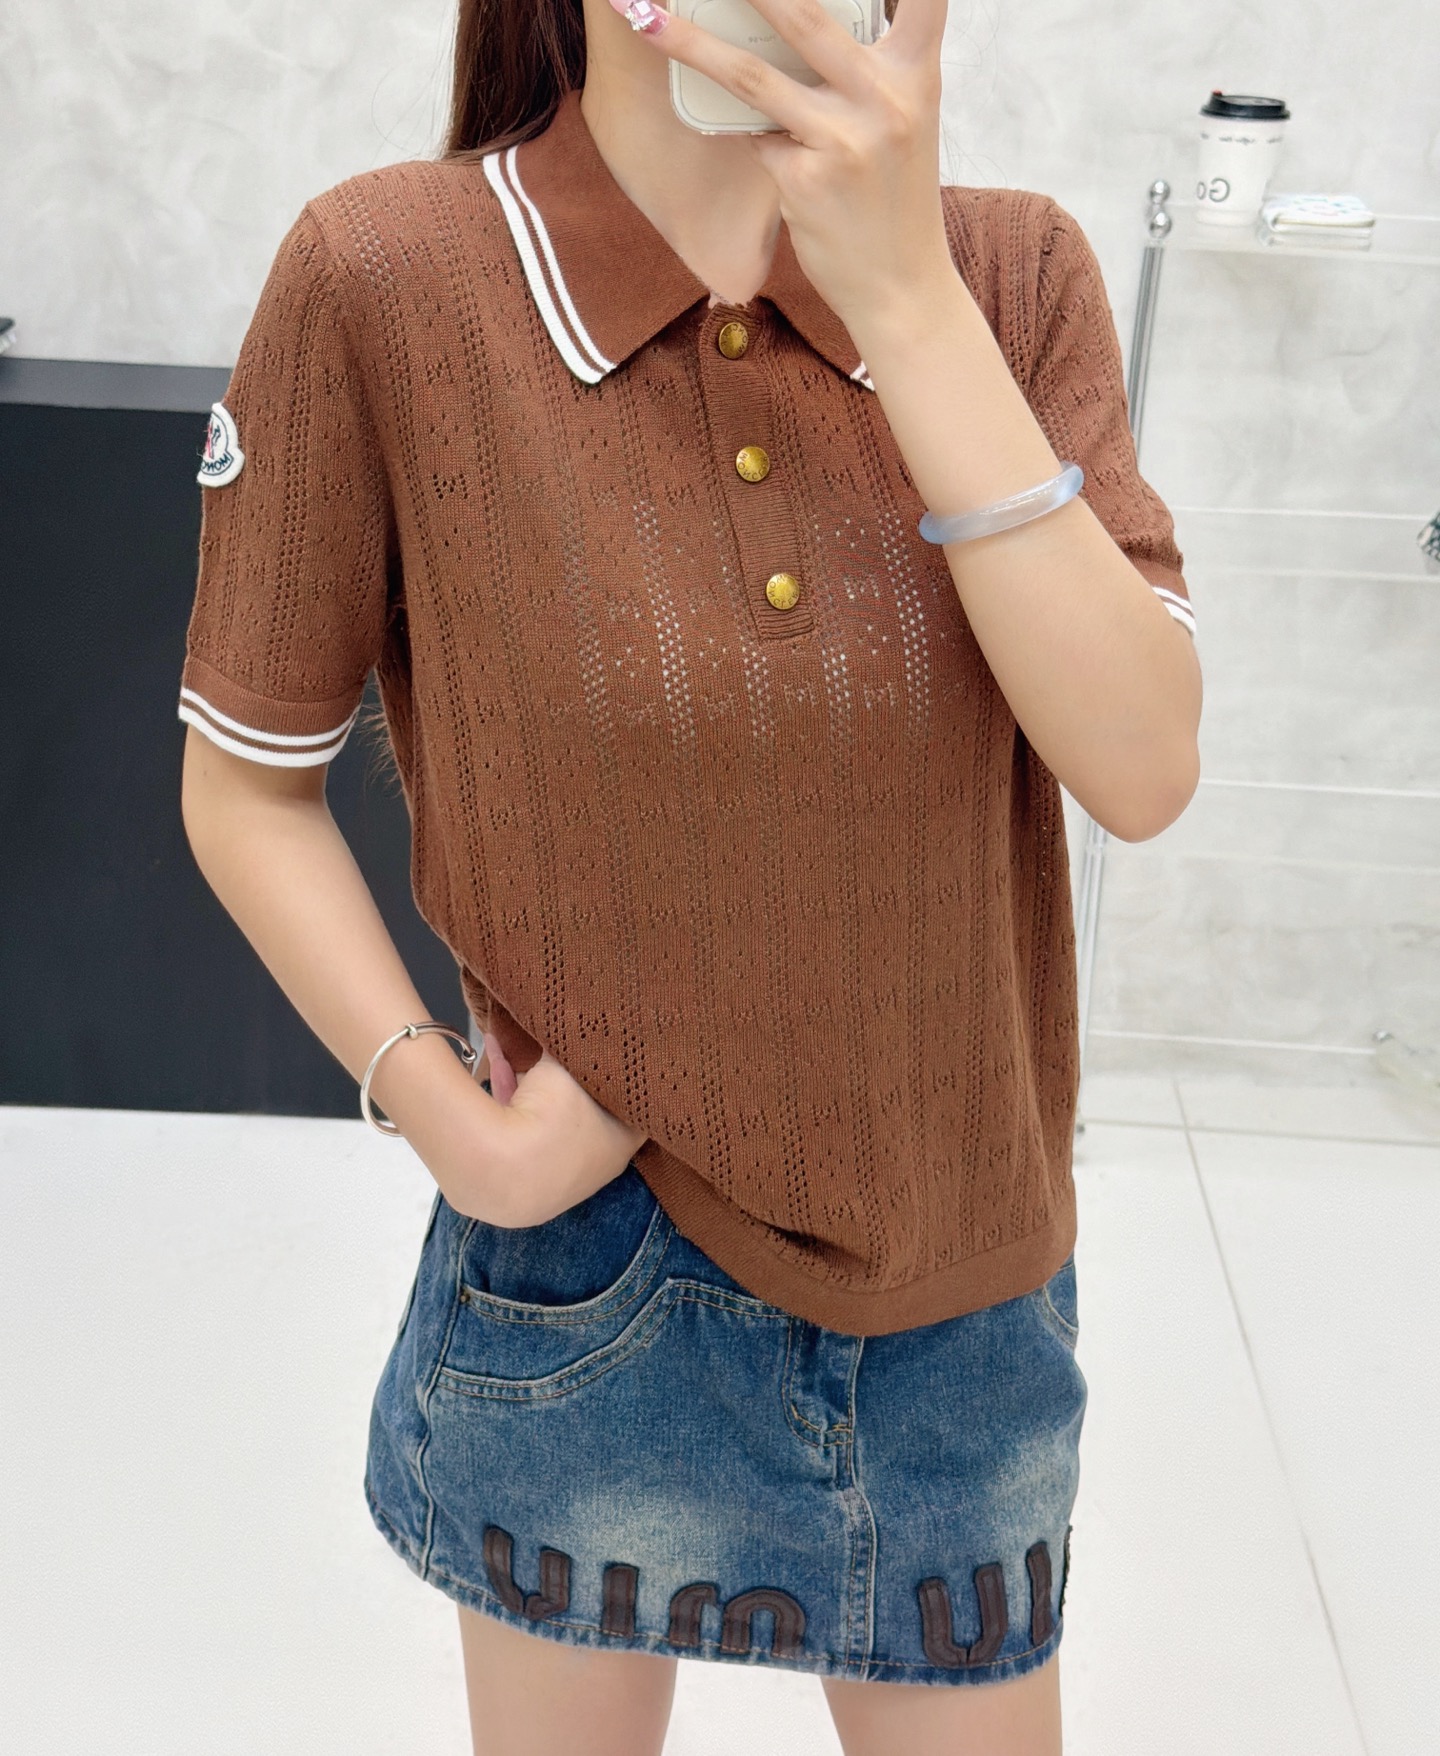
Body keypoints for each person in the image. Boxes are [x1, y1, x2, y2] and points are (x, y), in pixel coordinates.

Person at [176, 0, 1202, 1749]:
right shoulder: (387, 278)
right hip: (587, 1294)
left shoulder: (1009, 276)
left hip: (961, 1291)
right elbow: (245, 786)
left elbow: (1142, 766)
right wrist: (452, 1124)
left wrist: (904, 297)